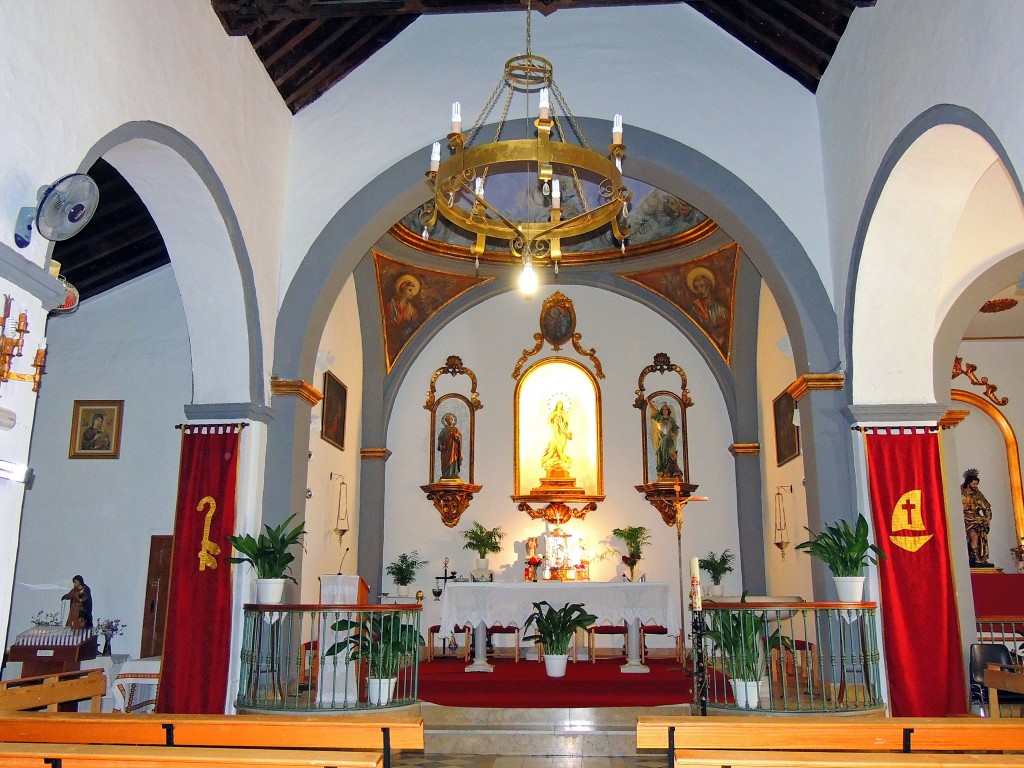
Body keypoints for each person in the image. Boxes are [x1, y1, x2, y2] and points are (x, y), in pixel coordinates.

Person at [686, 266, 728, 345]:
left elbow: (726, 326)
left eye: (702, 286)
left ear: (708, 285)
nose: (699, 290)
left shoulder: (720, 307)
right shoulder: (694, 309)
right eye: (696, 287)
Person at [962, 468, 993, 567]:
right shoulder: (959, 493)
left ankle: (977, 559)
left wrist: (987, 517)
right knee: (967, 538)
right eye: (974, 484)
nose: (975, 486)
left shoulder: (978, 495)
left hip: (976, 519)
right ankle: (971, 558)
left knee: (975, 537)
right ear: (968, 483)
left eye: (976, 484)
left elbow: (986, 507)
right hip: (963, 519)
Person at [649, 400, 683, 479]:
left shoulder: (671, 419)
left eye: (666, 409)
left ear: (668, 411)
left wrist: (674, 434)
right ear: (662, 411)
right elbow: (654, 411)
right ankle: (663, 471)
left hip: (669, 440)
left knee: (672, 454)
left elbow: (675, 429)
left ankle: (672, 470)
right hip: (662, 440)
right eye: (663, 409)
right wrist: (649, 402)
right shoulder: (659, 418)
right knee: (662, 455)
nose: (665, 411)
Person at [541, 400, 573, 475]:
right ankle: (556, 456)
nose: (559, 405)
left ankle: (560, 455)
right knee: (555, 443)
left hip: (562, 432)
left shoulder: (564, 413)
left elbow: (567, 422)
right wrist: (555, 418)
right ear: (556, 405)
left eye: (561, 404)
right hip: (555, 431)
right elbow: (549, 420)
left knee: (561, 444)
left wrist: (562, 420)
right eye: (558, 404)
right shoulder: (553, 413)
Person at [437, 412, 462, 480]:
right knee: (445, 461)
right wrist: (440, 445)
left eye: (451, 419)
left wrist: (456, 436)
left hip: (453, 449)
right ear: (446, 421)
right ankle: (445, 474)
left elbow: (459, 438)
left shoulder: (455, 429)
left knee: (453, 459)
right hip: (445, 450)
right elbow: (440, 439)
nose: (450, 421)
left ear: (452, 420)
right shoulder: (443, 430)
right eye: (448, 420)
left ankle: (453, 473)